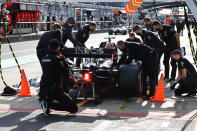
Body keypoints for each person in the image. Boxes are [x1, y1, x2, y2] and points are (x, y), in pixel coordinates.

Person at [39, 39, 78, 115]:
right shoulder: (59, 59)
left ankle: (46, 102)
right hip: (55, 88)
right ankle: (50, 105)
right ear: (58, 48)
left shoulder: (44, 58)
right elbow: (66, 74)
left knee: (52, 95)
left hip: (43, 87)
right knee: (74, 109)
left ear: (49, 47)